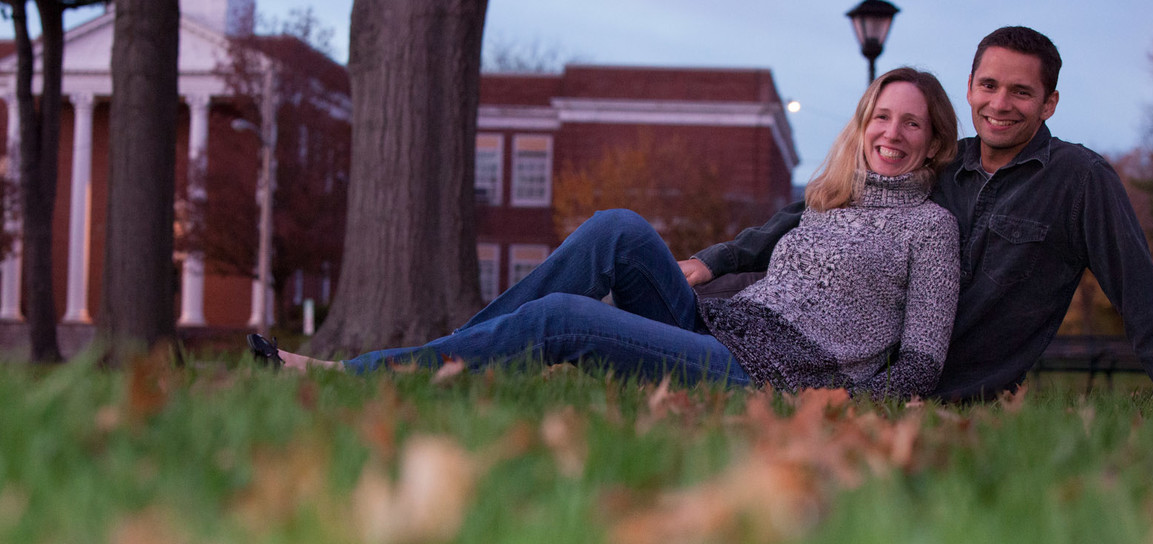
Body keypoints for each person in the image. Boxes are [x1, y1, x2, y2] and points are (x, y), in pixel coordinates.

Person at [251, 67, 961, 399]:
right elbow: (754, 257)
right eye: (881, 116)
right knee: (617, 228)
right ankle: (444, 364)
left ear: (932, 144)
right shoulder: (825, 202)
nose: (892, 133)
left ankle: (365, 378)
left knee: (563, 318)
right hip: (726, 330)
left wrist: (838, 408)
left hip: (770, 379)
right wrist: (707, 272)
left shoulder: (930, 231)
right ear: (863, 125)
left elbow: (924, 361)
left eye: (911, 123)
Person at [688, 26, 1153, 401]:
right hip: (864, 373)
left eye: (1022, 91)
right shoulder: (942, 162)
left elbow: (1141, 292)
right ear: (971, 87)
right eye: (989, 86)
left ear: (1049, 103)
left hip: (958, 393)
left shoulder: (1080, 180)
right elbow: (819, 207)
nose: (1000, 103)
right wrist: (721, 259)